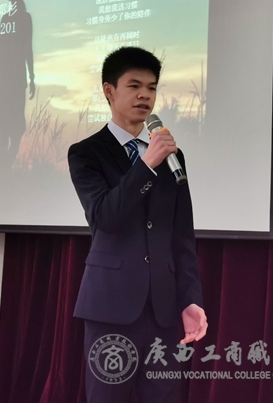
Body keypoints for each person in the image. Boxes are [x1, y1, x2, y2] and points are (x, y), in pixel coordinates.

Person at [67, 46, 207, 402]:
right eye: (134, 86)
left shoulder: (172, 157)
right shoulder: (86, 153)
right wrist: (145, 165)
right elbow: (105, 217)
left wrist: (190, 300)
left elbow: (182, 236)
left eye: (151, 87)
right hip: (110, 306)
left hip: (163, 309)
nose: (145, 95)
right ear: (109, 90)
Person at [0, 0, 34, 171]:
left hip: (15, 79)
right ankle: (4, 170)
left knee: (13, 128)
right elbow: (0, 51)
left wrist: (31, 76)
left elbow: (27, 49)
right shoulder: (6, 19)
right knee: (7, 129)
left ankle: (5, 168)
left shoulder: (25, 18)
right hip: (6, 78)